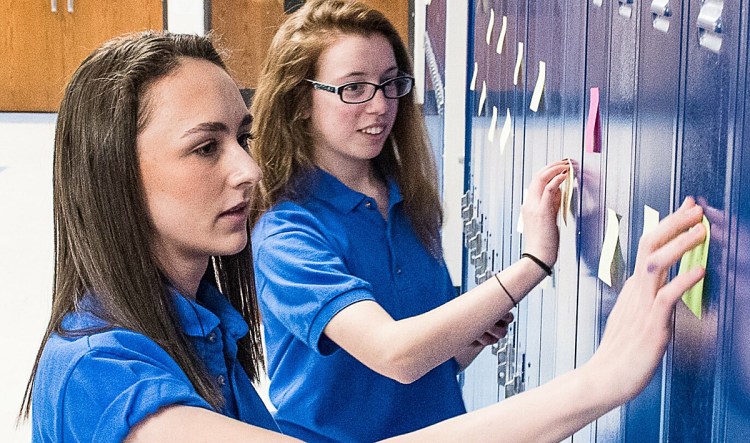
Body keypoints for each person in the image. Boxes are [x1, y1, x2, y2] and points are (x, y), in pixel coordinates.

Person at [19, 30, 707, 443]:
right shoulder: (100, 371)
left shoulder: (199, 328)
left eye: (243, 137)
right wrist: (602, 379)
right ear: (115, 176)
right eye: (206, 148)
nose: (248, 170)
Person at [248, 0, 706, 441]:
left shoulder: (405, 202)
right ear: (301, 102)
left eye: (390, 83)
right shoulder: (287, 236)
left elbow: (430, 366)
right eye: (354, 88)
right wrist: (534, 262)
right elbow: (397, 355)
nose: (380, 105)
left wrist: (468, 340)